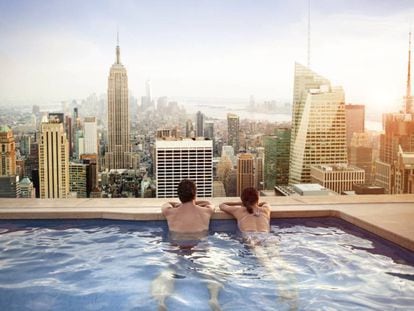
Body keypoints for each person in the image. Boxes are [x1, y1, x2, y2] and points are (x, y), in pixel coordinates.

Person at [220, 187, 298, 310]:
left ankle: (281, 288)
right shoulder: (265, 210)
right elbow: (267, 203)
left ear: (243, 201)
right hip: (267, 237)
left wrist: (242, 204)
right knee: (281, 262)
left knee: (267, 264)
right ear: (258, 198)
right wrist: (255, 204)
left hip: (253, 239)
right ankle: (294, 292)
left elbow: (222, 205)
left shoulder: (239, 211)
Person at [152, 179, 221, 311]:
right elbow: (210, 205)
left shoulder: (170, 212)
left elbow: (166, 204)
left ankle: (161, 301)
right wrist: (196, 202)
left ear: (179, 196)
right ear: (195, 194)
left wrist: (177, 204)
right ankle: (213, 298)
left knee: (166, 274)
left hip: (176, 250)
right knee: (212, 273)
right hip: (199, 249)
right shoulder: (205, 212)